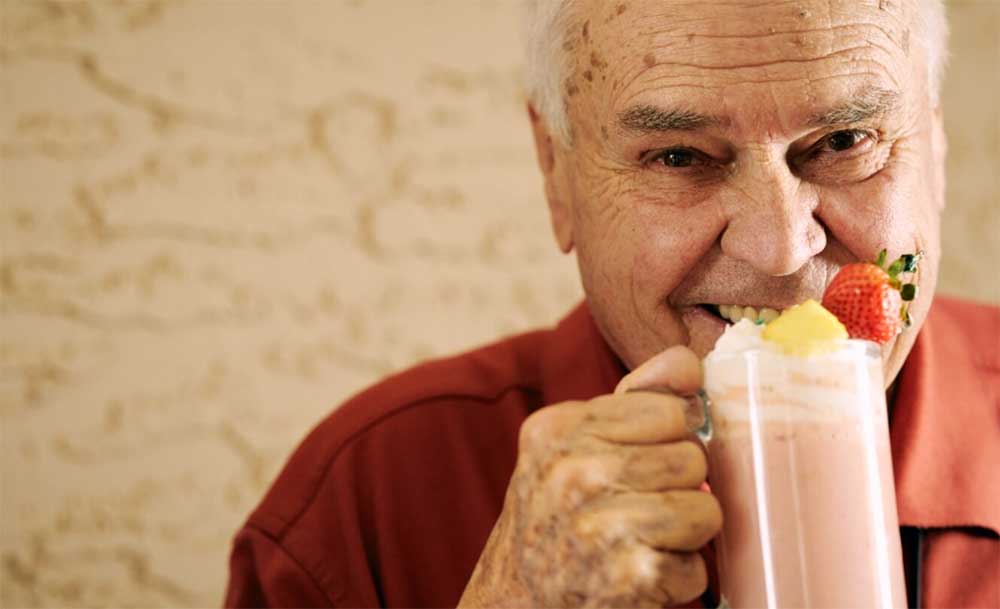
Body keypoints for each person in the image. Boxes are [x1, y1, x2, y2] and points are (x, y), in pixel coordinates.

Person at [225, 1, 999, 607]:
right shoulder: (366, 501)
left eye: (842, 141)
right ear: (556, 174)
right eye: (679, 156)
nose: (781, 248)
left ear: (932, 147)